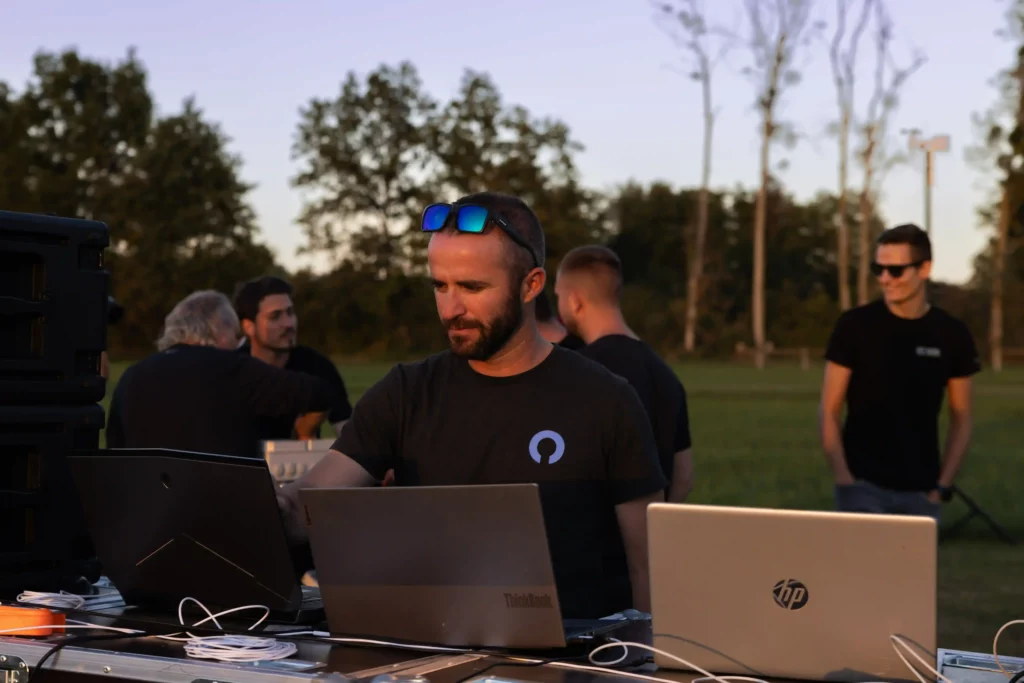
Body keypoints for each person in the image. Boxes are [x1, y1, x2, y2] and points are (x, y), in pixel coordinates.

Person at [279, 192, 667, 618]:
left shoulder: (606, 401)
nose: (451, 309)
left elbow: (649, 566)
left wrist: (648, 652)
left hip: (571, 650)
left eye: (472, 287)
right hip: (432, 644)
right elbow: (305, 506)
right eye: (439, 286)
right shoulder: (406, 393)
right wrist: (257, 508)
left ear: (531, 285)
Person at [819, 224, 979, 521]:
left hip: (921, 493)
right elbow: (829, 409)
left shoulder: (951, 334)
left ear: (924, 269)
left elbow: (962, 417)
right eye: (877, 269)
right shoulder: (854, 327)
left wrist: (940, 488)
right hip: (862, 488)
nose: (885, 279)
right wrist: (845, 481)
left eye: (895, 271)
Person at [106, 290, 336, 459]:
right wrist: (304, 430)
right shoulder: (233, 368)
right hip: (223, 503)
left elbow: (114, 454)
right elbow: (321, 393)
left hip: (148, 506)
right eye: (237, 336)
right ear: (221, 330)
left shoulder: (131, 377)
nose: (239, 345)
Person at [554, 245, 693, 503]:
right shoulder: (664, 374)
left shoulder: (573, 371)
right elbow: (683, 477)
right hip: (651, 522)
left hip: (588, 525)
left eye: (559, 296)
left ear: (574, 301)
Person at [234, 276, 352, 440]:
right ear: (249, 327)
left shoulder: (317, 366)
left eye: (290, 313)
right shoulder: (233, 369)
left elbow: (348, 435)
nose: (288, 324)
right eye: (275, 316)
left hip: (300, 457)